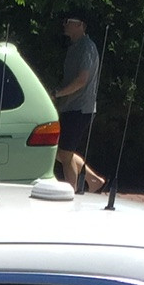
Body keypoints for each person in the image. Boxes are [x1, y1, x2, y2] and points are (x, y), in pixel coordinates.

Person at [53, 15, 107, 193]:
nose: (65, 24)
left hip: (80, 109)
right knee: (60, 152)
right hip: (69, 107)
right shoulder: (74, 47)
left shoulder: (86, 48)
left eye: (70, 21)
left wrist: (58, 93)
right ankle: (94, 180)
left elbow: (81, 80)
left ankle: (71, 194)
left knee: (65, 154)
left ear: (81, 25)